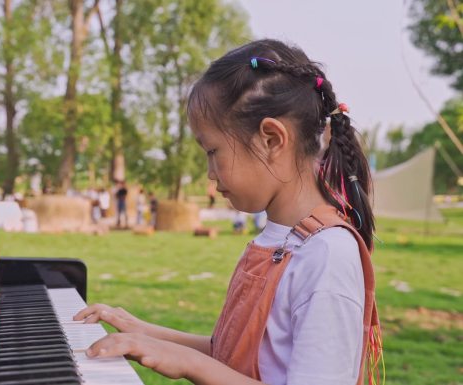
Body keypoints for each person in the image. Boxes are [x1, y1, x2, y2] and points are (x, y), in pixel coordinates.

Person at [73, 39, 382, 385]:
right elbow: (232, 356)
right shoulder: (282, 239)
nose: (209, 172)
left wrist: (188, 363)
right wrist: (143, 333)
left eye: (212, 150)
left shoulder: (327, 256)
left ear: (271, 139)